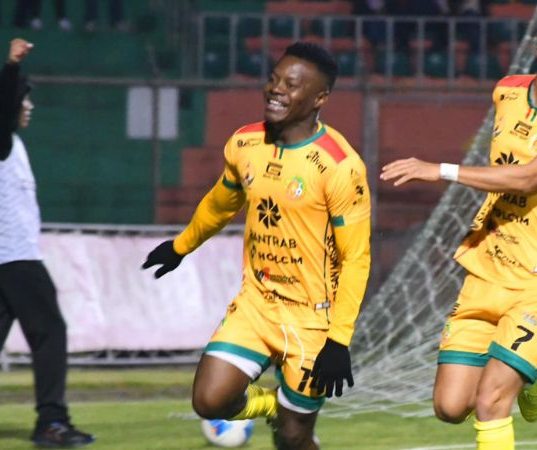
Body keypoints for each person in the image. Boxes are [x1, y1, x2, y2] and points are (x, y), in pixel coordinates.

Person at [380, 7, 537, 450]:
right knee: (450, 408)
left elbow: (525, 177)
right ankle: (532, 373)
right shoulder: (506, 92)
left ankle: (522, 370)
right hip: (486, 270)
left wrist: (441, 170)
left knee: (490, 402)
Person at [142, 42, 371, 450]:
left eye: (291, 85)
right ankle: (272, 407)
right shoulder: (245, 144)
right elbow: (221, 202)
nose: (275, 90)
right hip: (257, 304)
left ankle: (288, 421)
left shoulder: (339, 166)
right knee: (209, 400)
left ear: (320, 98)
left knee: (293, 439)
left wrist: (339, 340)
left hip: (311, 320)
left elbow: (356, 257)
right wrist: (181, 246)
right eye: (273, 79)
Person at [0, 38, 94, 449]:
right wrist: (11, 68)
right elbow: (3, 107)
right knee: (50, 331)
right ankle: (52, 423)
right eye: (26, 98)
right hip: (12, 256)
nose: (30, 105)